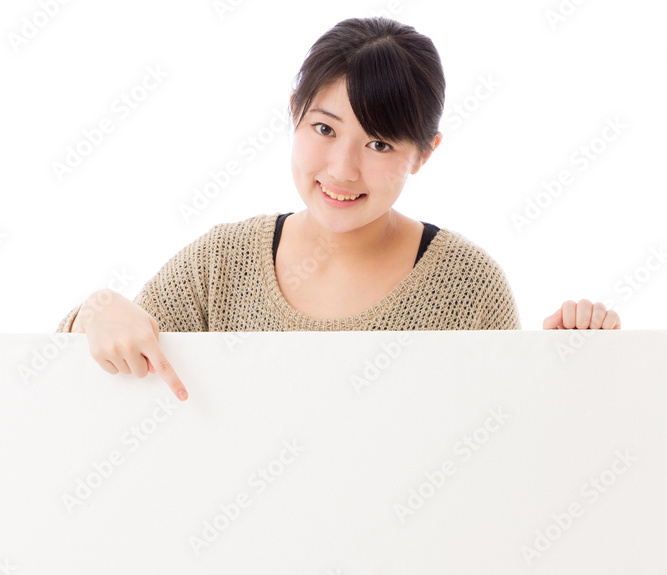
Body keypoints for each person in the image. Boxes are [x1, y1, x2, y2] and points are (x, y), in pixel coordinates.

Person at [55, 16, 621, 403]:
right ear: (295, 113)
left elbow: (509, 455)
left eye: (380, 144)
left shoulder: (468, 287)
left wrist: (572, 367)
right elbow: (91, 379)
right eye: (324, 128)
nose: (342, 169)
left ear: (423, 154)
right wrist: (94, 312)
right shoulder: (222, 262)